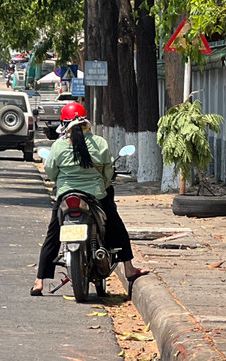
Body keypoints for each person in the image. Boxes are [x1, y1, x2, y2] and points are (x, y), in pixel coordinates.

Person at [30, 103, 143, 296]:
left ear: (64, 124)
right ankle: (129, 268)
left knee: (52, 235)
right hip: (96, 195)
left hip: (66, 196)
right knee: (116, 225)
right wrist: (102, 184)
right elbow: (108, 172)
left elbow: (51, 172)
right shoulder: (99, 143)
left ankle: (39, 281)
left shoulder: (58, 146)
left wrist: (63, 183)